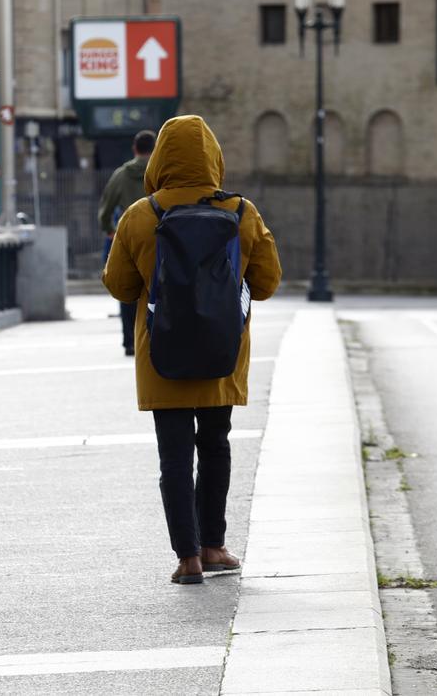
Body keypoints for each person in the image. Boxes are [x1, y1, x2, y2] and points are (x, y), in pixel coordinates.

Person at [102, 115, 281, 585]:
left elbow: (120, 287)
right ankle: (215, 544)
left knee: (174, 457)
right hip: (222, 354)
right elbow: (266, 283)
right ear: (214, 157)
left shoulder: (142, 214)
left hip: (163, 356)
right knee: (216, 446)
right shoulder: (242, 212)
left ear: (160, 158)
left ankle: (187, 558)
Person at [98, 129, 156, 356]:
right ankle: (154, 336)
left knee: (127, 291)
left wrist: (110, 230)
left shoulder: (121, 175)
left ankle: (130, 341)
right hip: (158, 240)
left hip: (129, 240)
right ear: (155, 149)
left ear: (135, 148)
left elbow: (105, 209)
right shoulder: (160, 173)